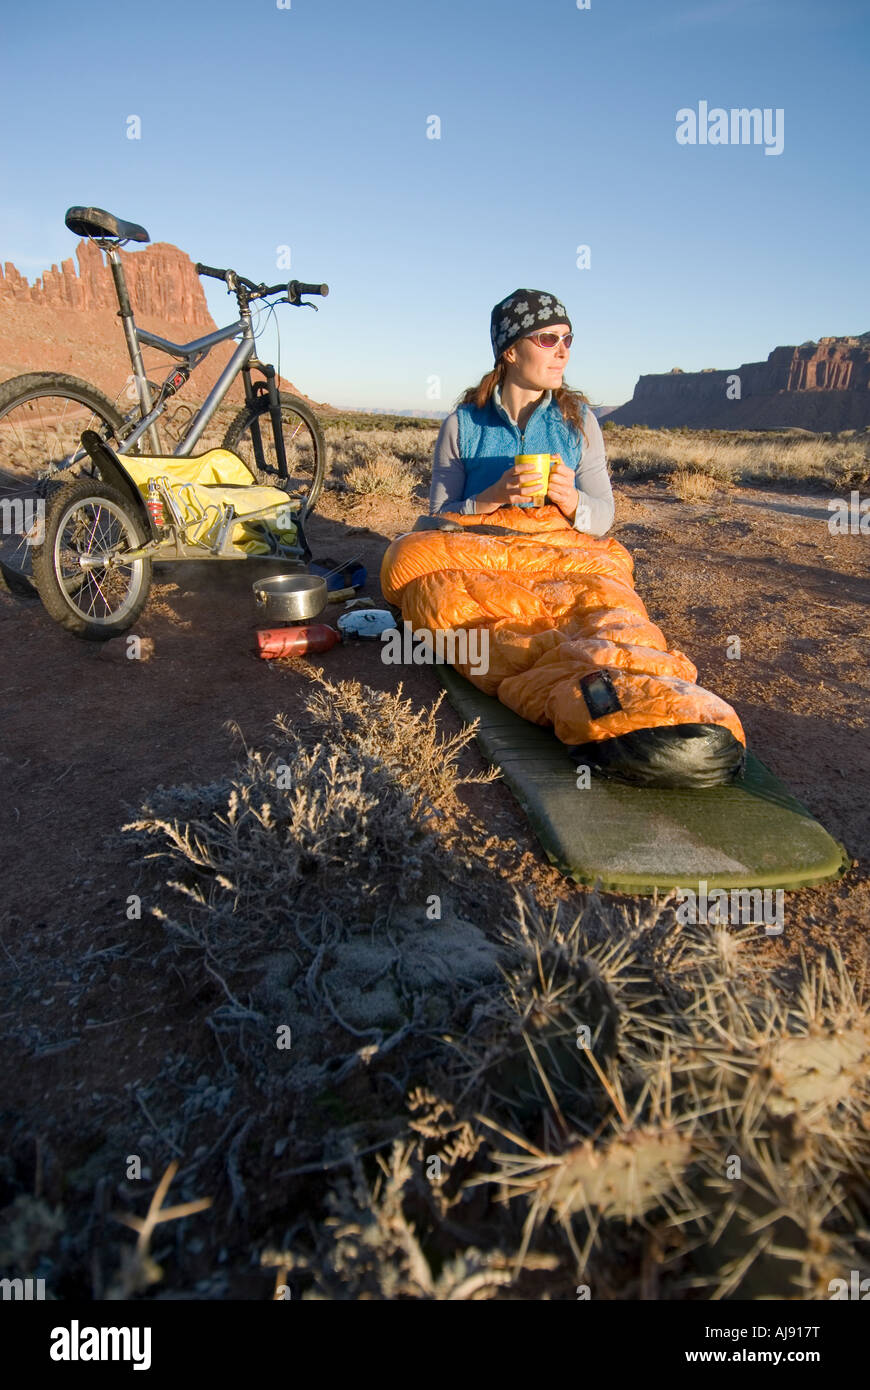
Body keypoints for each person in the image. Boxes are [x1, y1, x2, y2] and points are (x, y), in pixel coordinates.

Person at [429, 288, 614, 537]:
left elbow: (604, 518)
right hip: (478, 564)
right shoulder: (461, 426)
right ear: (511, 351)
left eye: (567, 339)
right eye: (549, 339)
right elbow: (438, 520)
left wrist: (571, 500)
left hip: (555, 566)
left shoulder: (579, 421)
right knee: (404, 556)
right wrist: (492, 497)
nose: (563, 352)